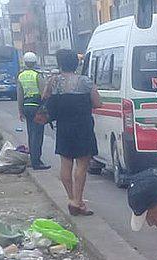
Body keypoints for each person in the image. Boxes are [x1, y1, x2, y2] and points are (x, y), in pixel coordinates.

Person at [44, 48, 101, 216]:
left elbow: (45, 98)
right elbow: (97, 103)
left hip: (63, 127)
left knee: (66, 163)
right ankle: (78, 200)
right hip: (83, 126)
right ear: (76, 64)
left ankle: (70, 199)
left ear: (60, 64)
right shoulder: (86, 82)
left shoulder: (53, 82)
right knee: (82, 165)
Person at [17, 52, 49, 170]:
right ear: (35, 62)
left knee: (31, 134)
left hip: (26, 107)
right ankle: (36, 162)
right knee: (38, 135)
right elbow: (44, 93)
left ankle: (33, 159)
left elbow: (19, 95)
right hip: (37, 108)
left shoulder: (21, 76)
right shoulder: (37, 75)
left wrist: (20, 111)